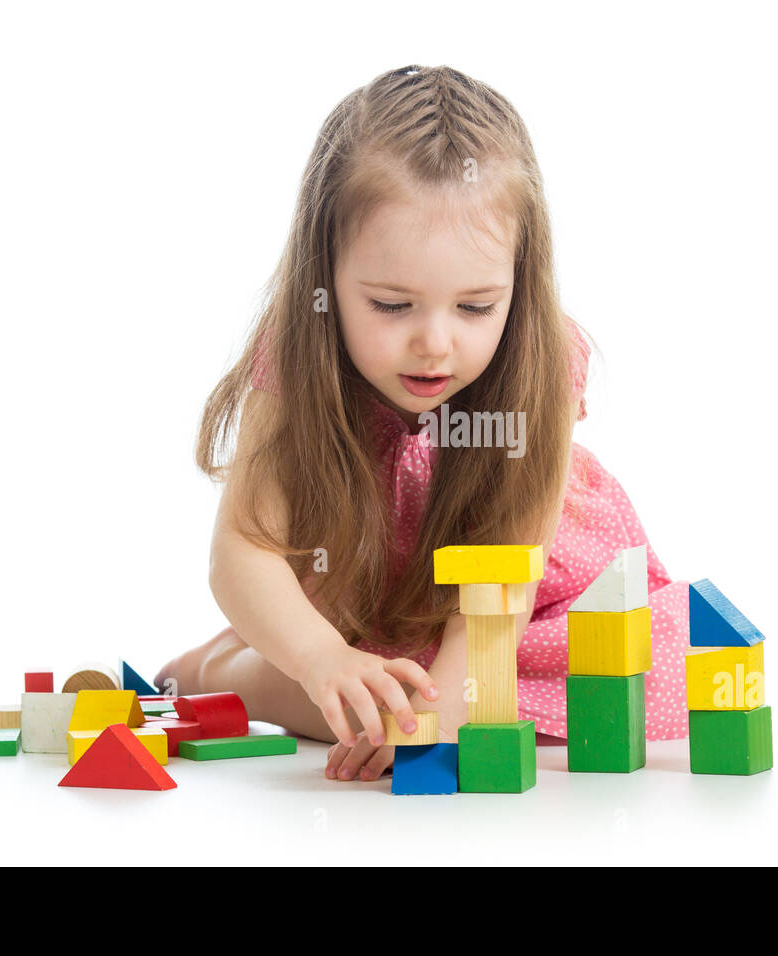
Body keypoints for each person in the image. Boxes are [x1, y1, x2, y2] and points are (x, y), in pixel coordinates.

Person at [156, 65, 690, 783]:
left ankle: (335, 681)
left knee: (620, 668)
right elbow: (242, 551)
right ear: (327, 278)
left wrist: (438, 725)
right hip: (368, 603)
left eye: (475, 308)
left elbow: (502, 594)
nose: (436, 343)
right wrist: (320, 658)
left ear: (519, 284)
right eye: (390, 305)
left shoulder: (541, 363)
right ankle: (230, 670)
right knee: (369, 682)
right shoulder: (294, 355)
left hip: (512, 613)